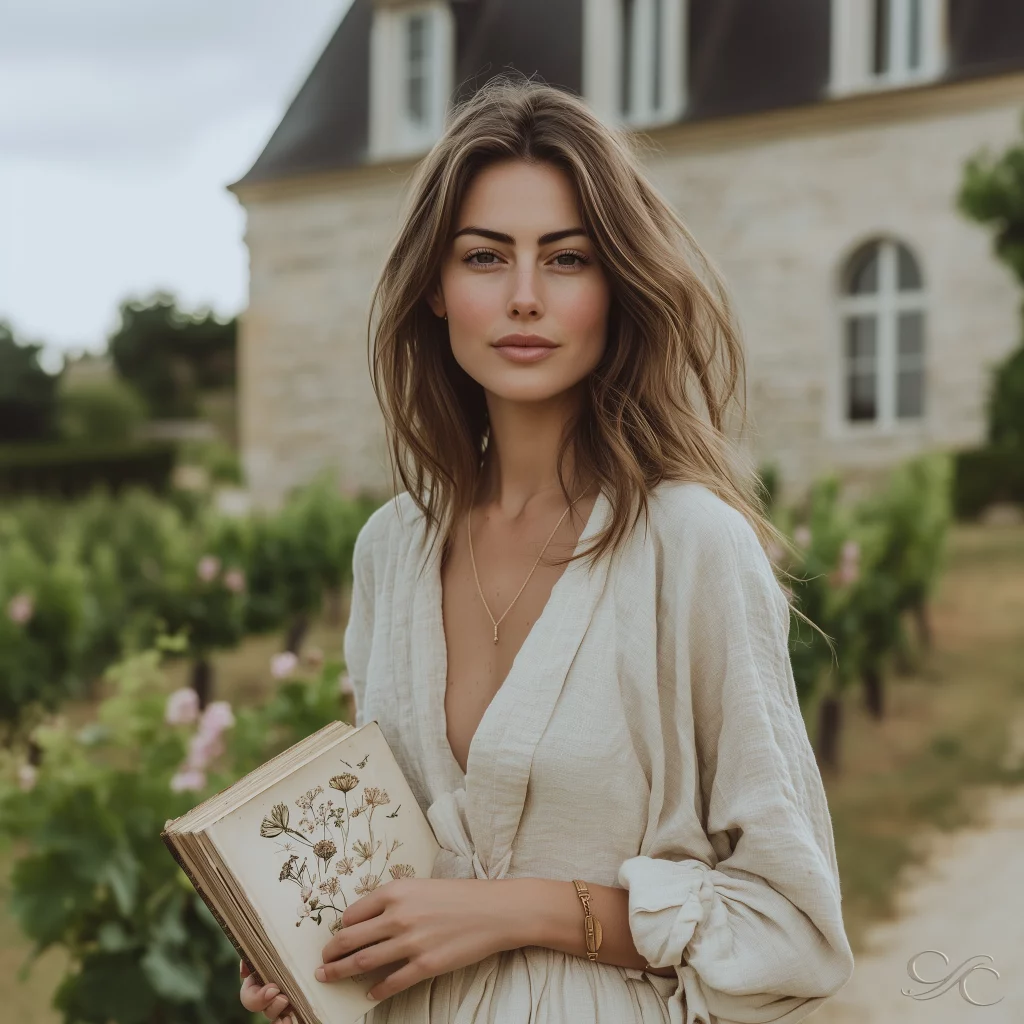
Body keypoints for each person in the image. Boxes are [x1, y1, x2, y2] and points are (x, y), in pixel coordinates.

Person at [240, 75, 854, 1024]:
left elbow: (791, 928)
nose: (524, 297)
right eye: (485, 257)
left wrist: (518, 913)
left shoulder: (692, 546)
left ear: (617, 286)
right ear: (436, 292)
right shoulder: (391, 551)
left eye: (566, 259)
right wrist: (315, 950)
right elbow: (405, 874)